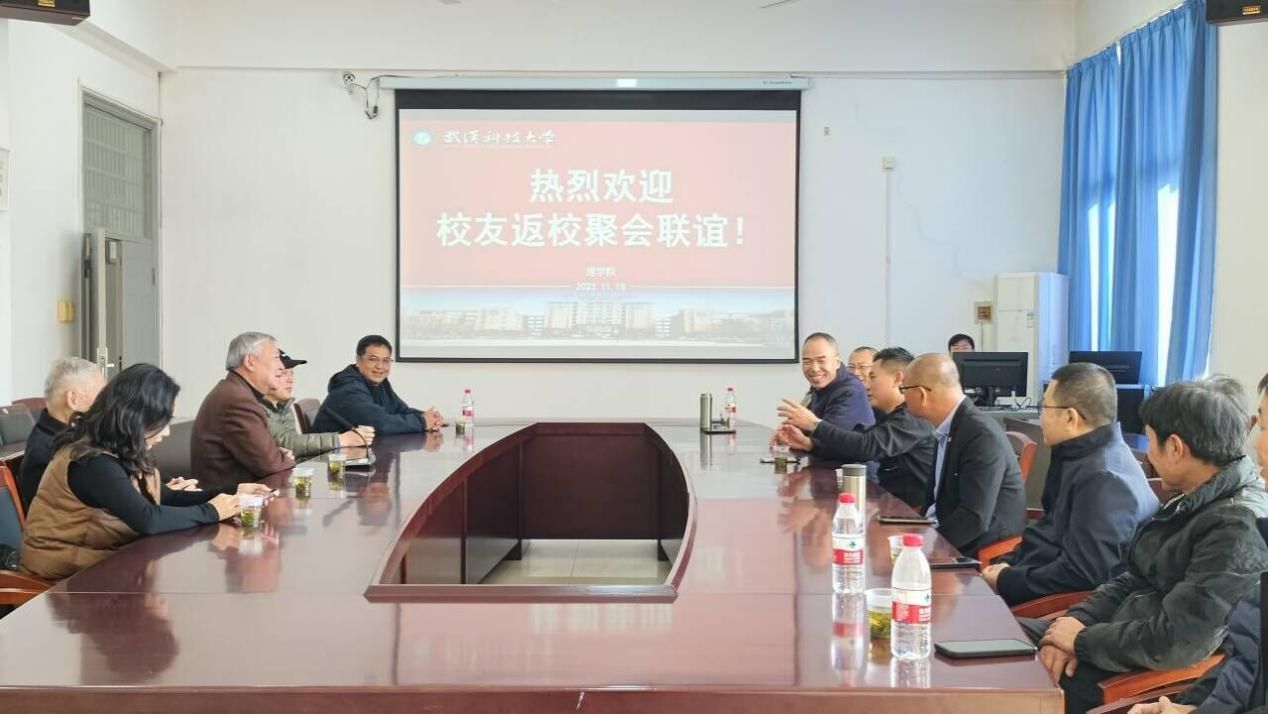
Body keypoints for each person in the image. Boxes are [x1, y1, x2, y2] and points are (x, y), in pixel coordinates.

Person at [1019, 377, 1268, 714]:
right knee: (1003, 636)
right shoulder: (1193, 497)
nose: (1257, 444)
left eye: (1150, 441)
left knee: (1005, 680)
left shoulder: (1236, 525)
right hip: (1111, 639)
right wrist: (1073, 626)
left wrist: (1080, 641)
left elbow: (1179, 641)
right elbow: (1131, 578)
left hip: (1132, 666)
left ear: (1175, 448)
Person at [18, 364, 271, 581]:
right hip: (63, 580)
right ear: (135, 417)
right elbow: (148, 519)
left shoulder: (118, 448)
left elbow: (165, 496)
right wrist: (213, 510)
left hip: (98, 564)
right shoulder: (92, 461)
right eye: (162, 422)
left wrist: (233, 493)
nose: (166, 432)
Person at [981, 363, 1157, 607]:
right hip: (1033, 578)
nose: (1040, 417)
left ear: (1070, 417)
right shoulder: (1079, 455)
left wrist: (1006, 580)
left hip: (1060, 607)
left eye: (1044, 407)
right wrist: (1006, 564)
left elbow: (1084, 575)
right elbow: (1048, 533)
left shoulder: (1103, 478)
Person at [777, 347, 936, 512]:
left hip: (912, 513)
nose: (866, 384)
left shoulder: (912, 418)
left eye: (872, 377)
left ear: (898, 379)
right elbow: (853, 446)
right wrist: (809, 445)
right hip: (888, 505)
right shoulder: (883, 414)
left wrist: (815, 424)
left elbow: (866, 446)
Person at [901, 353, 1025, 554]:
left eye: (904, 389)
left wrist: (924, 549)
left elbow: (973, 518)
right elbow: (935, 501)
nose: (903, 397)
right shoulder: (950, 427)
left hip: (983, 548)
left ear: (922, 394)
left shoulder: (980, 435)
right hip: (947, 531)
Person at [191, 332, 296, 491]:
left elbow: (268, 457)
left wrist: (277, 456)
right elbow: (271, 465)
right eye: (276, 358)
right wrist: (284, 458)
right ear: (250, 362)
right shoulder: (237, 400)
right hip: (231, 501)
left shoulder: (234, 391)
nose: (282, 367)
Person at [17, 357, 107, 513]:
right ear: (73, 399)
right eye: (101, 395)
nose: (106, 403)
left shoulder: (69, 437)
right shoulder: (48, 453)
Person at [311, 335, 444, 436]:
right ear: (358, 360)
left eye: (386, 361)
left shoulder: (378, 383)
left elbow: (400, 410)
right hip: (330, 459)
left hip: (356, 455)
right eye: (373, 360)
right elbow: (380, 424)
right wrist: (422, 422)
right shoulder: (348, 389)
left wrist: (429, 418)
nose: (380, 366)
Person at [261, 351, 374, 458]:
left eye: (292, 373)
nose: (291, 380)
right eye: (283, 373)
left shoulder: (282, 405)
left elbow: (294, 452)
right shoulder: (257, 408)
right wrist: (342, 439)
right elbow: (289, 443)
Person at [772, 333, 874, 446]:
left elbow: (833, 441)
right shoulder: (820, 386)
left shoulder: (850, 391)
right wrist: (786, 431)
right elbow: (803, 422)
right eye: (807, 362)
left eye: (821, 361)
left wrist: (806, 435)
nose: (814, 369)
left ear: (837, 362)